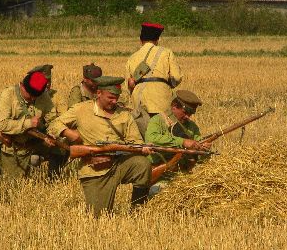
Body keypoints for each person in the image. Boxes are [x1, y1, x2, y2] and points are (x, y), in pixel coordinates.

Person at [48, 76, 152, 217]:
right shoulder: (81, 109)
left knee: (142, 165)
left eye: (116, 97)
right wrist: (69, 133)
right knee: (99, 216)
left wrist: (142, 148)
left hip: (118, 164)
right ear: (98, 94)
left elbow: (135, 141)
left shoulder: (124, 114)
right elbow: (54, 125)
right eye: (110, 97)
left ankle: (137, 212)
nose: (114, 101)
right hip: (94, 170)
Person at [0, 71, 59, 180]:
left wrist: (51, 134)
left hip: (35, 144)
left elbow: (53, 119)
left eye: (35, 97)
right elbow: (2, 124)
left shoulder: (42, 95)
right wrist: (28, 123)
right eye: (30, 95)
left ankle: (53, 179)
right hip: (13, 147)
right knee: (12, 186)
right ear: (22, 85)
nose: (33, 99)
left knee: (62, 148)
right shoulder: (8, 94)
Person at [145, 90, 207, 197]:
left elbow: (199, 155)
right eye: (185, 112)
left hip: (183, 174)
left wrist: (203, 150)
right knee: (156, 192)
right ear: (174, 106)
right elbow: (152, 139)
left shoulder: (192, 127)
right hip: (160, 173)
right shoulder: (158, 120)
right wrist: (182, 142)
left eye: (190, 113)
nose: (188, 116)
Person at [125, 22, 183, 136]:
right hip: (161, 100)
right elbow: (176, 77)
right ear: (157, 40)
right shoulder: (166, 52)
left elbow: (129, 86)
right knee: (165, 133)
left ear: (140, 40)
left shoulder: (132, 57)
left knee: (144, 134)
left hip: (139, 101)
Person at [26, 63, 68, 179]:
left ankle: (53, 177)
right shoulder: (28, 96)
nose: (47, 84)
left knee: (64, 144)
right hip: (31, 138)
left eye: (49, 81)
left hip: (50, 136)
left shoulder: (57, 96)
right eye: (44, 81)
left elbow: (62, 118)